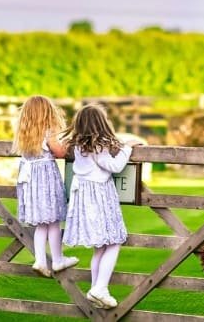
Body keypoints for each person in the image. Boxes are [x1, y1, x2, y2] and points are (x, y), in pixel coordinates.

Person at [62, 105, 132, 310]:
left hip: (84, 197)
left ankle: (96, 290)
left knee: (99, 247)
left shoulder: (78, 146)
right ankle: (101, 287)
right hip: (99, 197)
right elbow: (115, 166)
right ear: (101, 123)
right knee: (114, 241)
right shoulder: (98, 146)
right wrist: (127, 149)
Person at [12, 95, 78, 277]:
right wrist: (68, 146)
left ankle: (40, 260)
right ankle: (58, 260)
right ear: (48, 112)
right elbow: (59, 151)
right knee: (54, 221)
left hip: (30, 180)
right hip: (46, 179)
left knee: (42, 224)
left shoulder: (25, 132)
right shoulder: (50, 129)